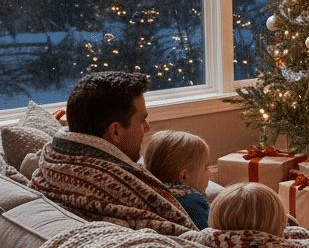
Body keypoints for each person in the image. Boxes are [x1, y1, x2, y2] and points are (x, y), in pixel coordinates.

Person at [30, 71, 197, 234]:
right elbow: (189, 237)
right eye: (141, 120)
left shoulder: (52, 163)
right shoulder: (119, 189)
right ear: (115, 131)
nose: (147, 128)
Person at [144, 130, 212, 229]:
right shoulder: (193, 201)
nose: (208, 173)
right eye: (206, 168)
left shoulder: (148, 195)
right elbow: (209, 235)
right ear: (184, 176)